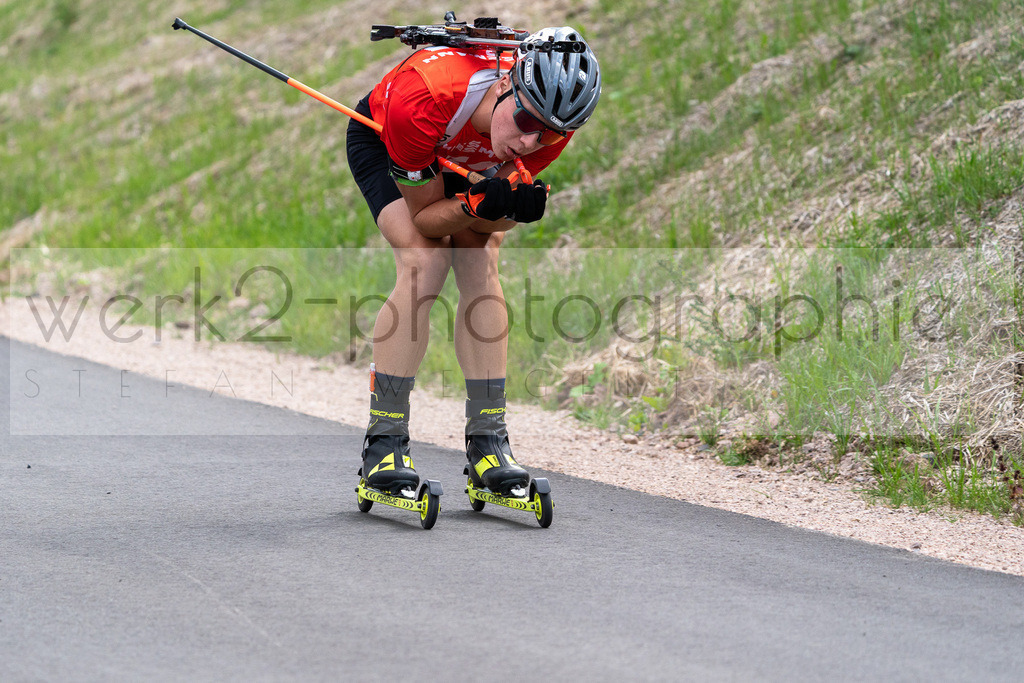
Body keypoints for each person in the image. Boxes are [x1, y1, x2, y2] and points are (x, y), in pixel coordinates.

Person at [345, 25, 601, 495]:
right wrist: (474, 204)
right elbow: (425, 219)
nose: (530, 143)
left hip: (471, 156)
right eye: (525, 122)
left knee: (479, 261)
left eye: (548, 135)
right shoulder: (423, 96)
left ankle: (489, 442)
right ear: (506, 83)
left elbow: (480, 230)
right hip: (392, 137)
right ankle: (384, 442)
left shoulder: (550, 128)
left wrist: (507, 211)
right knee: (426, 262)